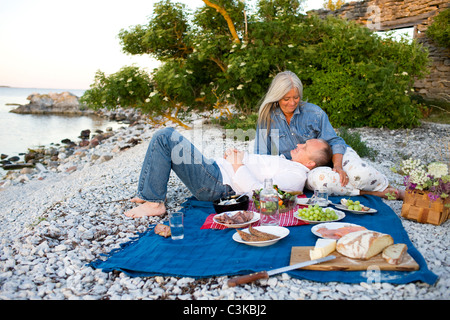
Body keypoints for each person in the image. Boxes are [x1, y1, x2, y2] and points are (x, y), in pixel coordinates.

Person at [254, 70, 403, 200]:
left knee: (360, 174)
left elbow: (335, 141)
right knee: (322, 182)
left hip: (334, 156)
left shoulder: (314, 113)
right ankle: (375, 193)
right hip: (306, 169)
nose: (292, 103)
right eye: (286, 99)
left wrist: (338, 165)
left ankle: (389, 187)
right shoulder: (267, 119)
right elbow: (262, 156)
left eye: (296, 97)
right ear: (276, 96)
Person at [125, 127, 332, 218]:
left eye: (305, 147)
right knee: (167, 138)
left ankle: (154, 203)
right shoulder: (289, 163)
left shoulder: (296, 176)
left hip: (216, 184)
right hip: (217, 172)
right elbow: (256, 169)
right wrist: (239, 157)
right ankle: (147, 195)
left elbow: (262, 194)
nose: (299, 144)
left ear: (311, 164)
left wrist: (236, 164)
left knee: (165, 136)